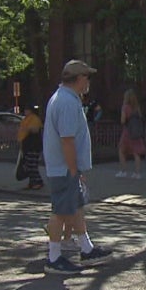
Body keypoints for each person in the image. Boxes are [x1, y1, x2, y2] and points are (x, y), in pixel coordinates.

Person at [42, 59, 113, 274]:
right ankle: (54, 258)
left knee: (76, 208)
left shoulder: (64, 98)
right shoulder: (67, 102)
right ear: (79, 78)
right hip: (64, 168)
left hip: (65, 167)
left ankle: (86, 248)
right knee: (61, 212)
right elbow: (67, 140)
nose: (88, 81)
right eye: (87, 77)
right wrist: (74, 170)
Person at [115, 89, 145, 179]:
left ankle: (123, 171)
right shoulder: (137, 107)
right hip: (136, 132)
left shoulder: (125, 107)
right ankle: (137, 173)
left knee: (121, 150)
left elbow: (123, 120)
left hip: (127, 131)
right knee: (136, 152)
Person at [18, 105, 44, 190]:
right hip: (27, 145)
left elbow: (35, 129)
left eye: (27, 109)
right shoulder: (26, 119)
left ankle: (38, 182)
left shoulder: (35, 119)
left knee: (32, 165)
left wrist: (27, 128)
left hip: (34, 145)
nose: (25, 111)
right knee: (28, 165)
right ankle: (32, 182)